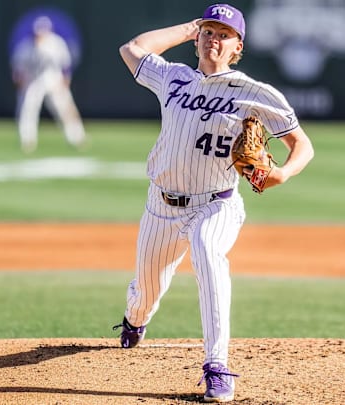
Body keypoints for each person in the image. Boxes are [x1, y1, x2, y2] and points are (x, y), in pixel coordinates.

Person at [112, 3, 314, 403]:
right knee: (146, 292)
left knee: (207, 251)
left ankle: (217, 367)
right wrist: (189, 27)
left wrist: (285, 172)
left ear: (238, 46)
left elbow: (302, 145)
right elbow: (132, 48)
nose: (214, 40)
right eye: (209, 32)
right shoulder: (173, 78)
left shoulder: (255, 93)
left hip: (216, 204)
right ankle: (135, 321)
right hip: (162, 206)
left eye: (224, 35)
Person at [10, 15, 86, 153]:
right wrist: (20, 80)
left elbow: (66, 64)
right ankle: (27, 141)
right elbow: (18, 67)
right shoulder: (26, 46)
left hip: (53, 78)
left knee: (65, 108)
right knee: (27, 109)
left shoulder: (56, 43)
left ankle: (77, 137)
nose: (40, 36)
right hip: (33, 80)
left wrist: (65, 79)